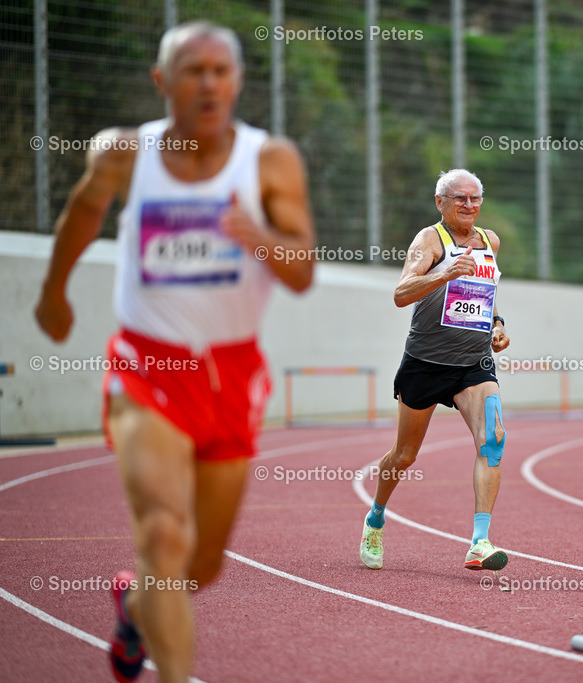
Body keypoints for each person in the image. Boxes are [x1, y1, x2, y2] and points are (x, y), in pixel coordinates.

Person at [33, 22, 315, 683]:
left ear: (238, 81)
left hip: (231, 375)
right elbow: (83, 213)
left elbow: (301, 270)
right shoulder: (124, 154)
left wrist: (258, 236)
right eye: (193, 70)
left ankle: (135, 605)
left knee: (200, 565)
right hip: (147, 365)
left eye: (222, 70)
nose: (209, 83)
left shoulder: (269, 161)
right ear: (162, 82)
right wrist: (53, 294)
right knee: (163, 534)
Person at [359, 169, 511, 573]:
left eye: (475, 198)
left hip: (473, 362)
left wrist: (497, 325)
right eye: (459, 198)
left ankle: (479, 542)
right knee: (405, 455)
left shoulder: (489, 241)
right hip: (426, 362)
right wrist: (443, 272)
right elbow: (400, 293)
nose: (469, 205)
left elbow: (485, 296)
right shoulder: (429, 240)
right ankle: (376, 515)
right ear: (440, 202)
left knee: (492, 440)